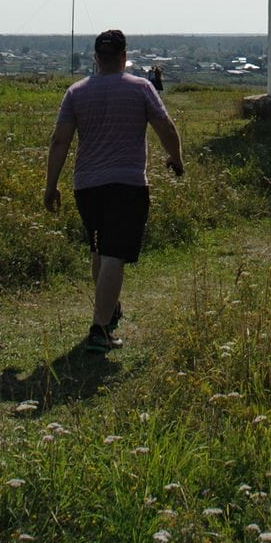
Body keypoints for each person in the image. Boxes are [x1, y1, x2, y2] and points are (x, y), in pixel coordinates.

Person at [44, 29, 184, 353]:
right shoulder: (141, 88)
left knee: (100, 249)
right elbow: (166, 127)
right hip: (127, 184)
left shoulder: (75, 93)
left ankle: (109, 308)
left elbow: (59, 141)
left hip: (87, 186)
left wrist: (51, 185)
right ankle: (100, 328)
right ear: (124, 58)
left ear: (96, 58)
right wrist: (176, 159)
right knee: (113, 255)